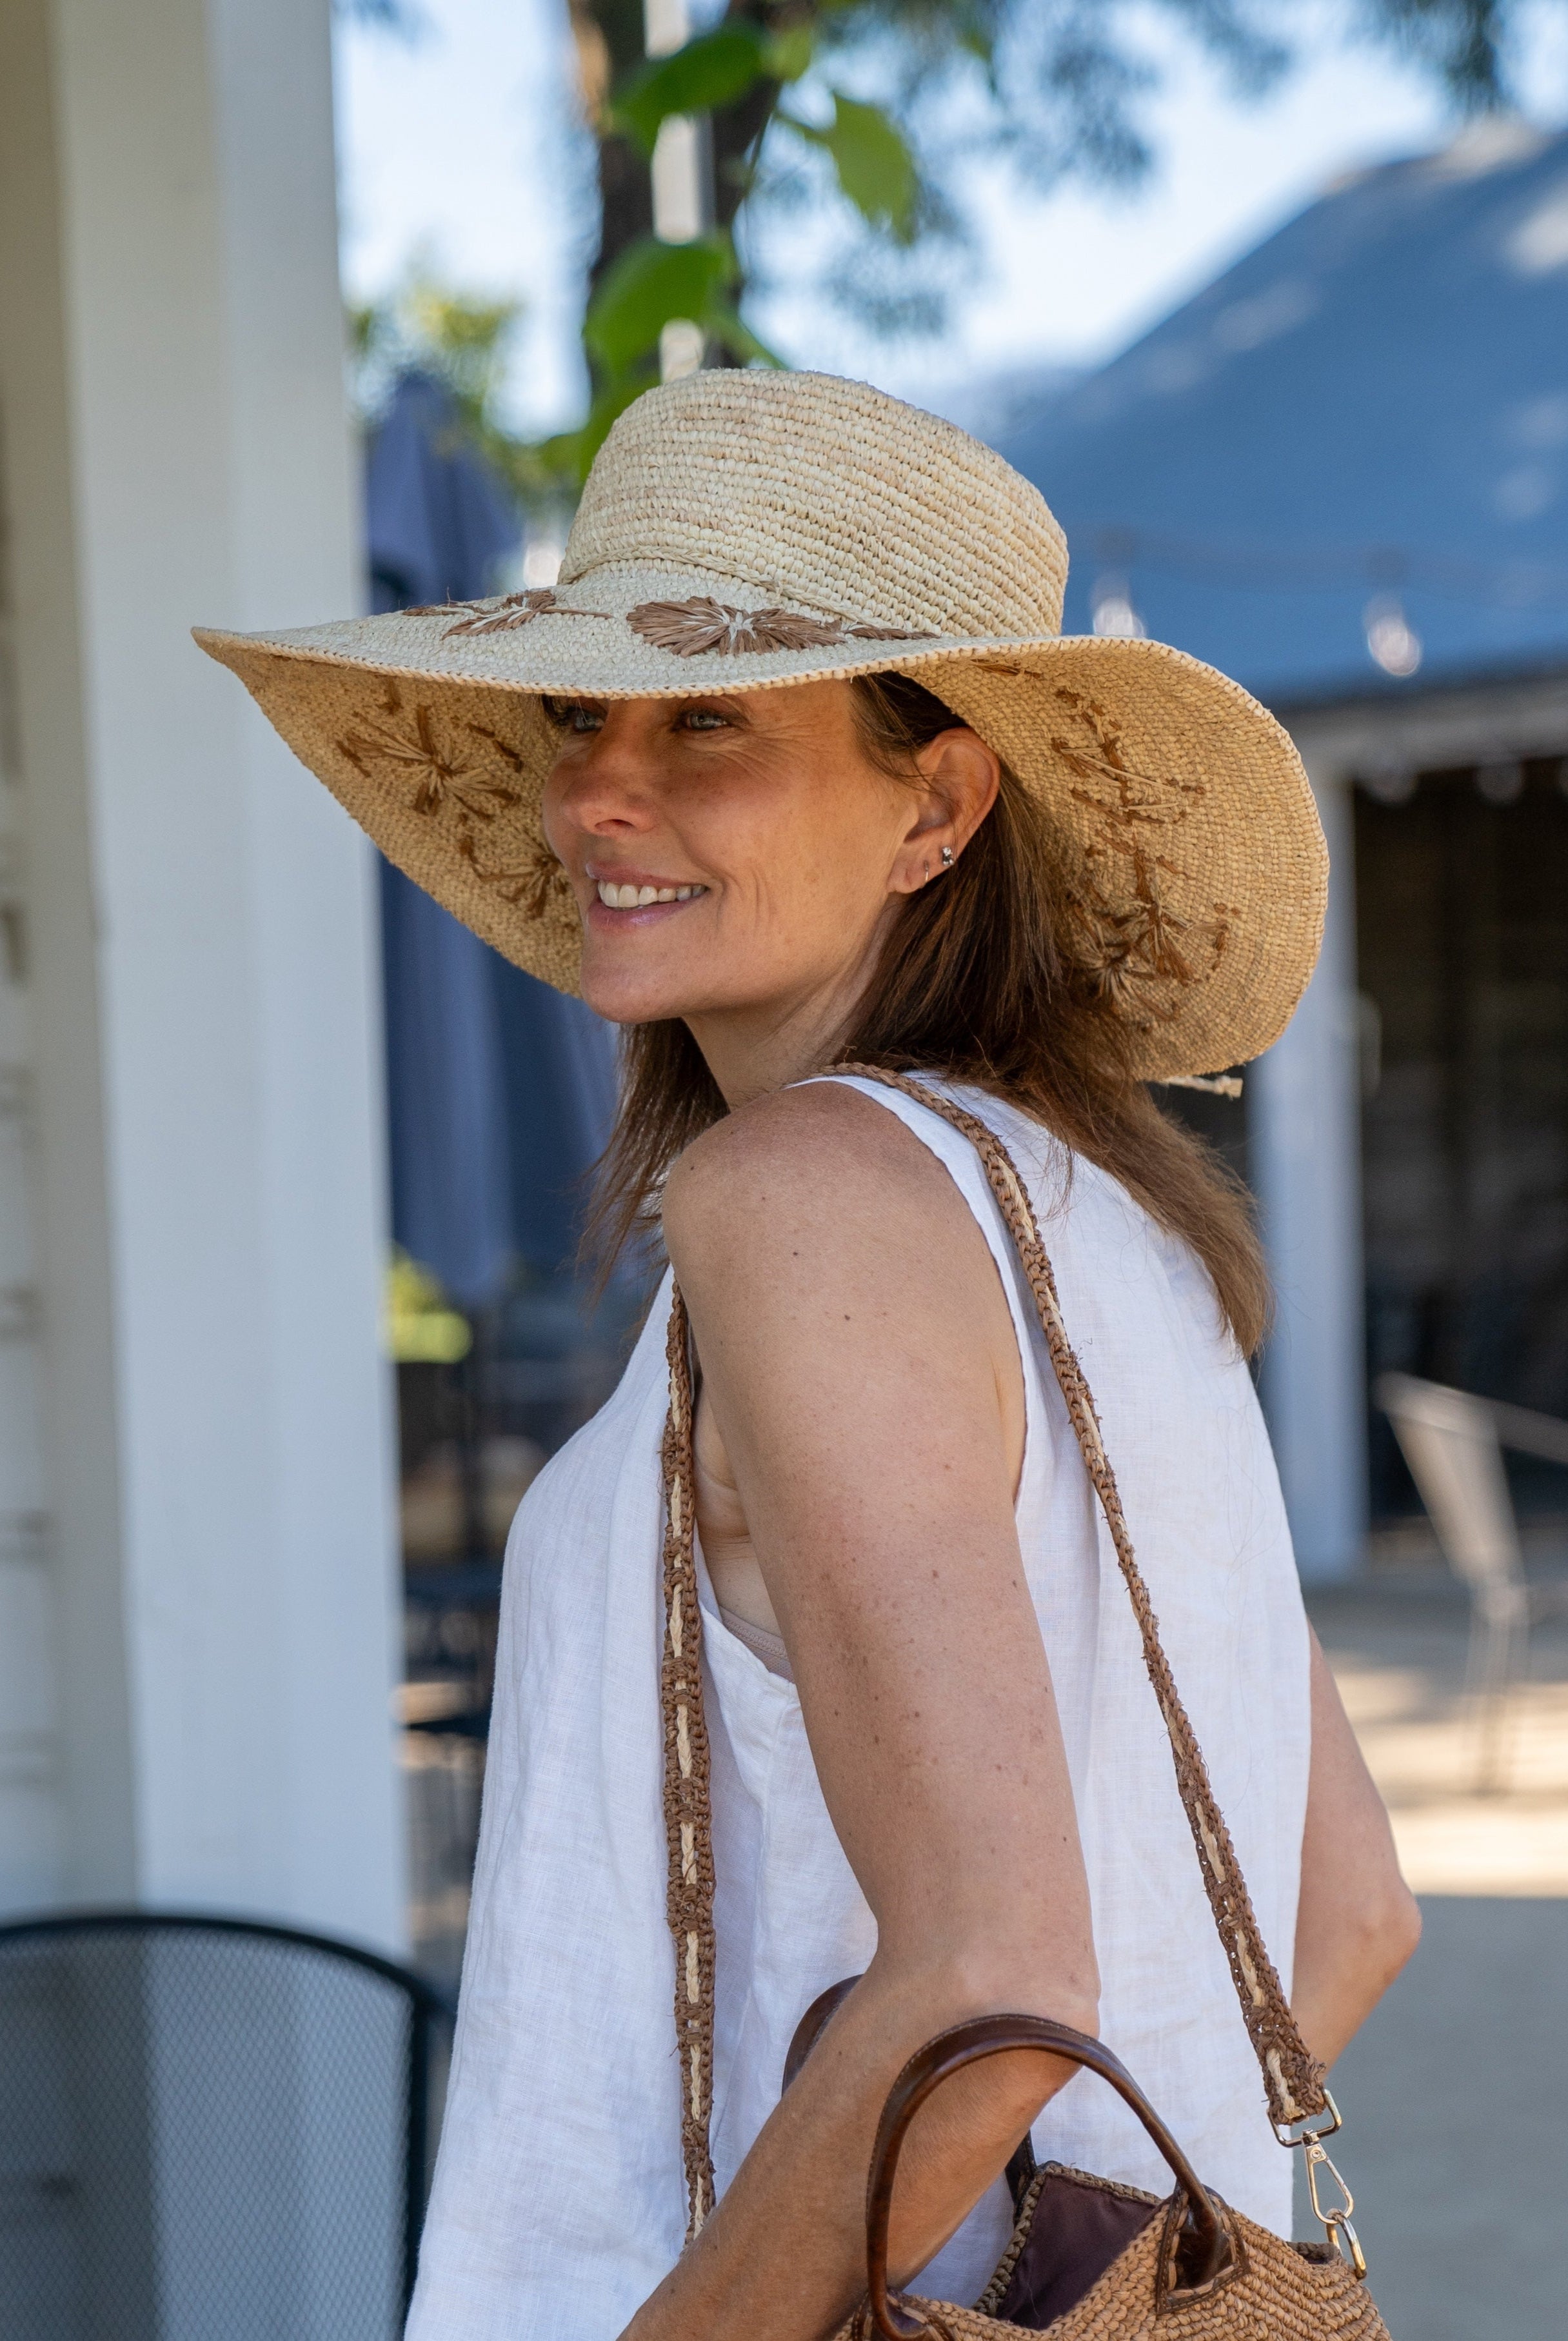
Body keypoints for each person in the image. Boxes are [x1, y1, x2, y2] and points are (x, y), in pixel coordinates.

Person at [197, 369, 1420, 2341]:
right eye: (581, 713)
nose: (597, 789)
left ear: (936, 806)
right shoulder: (1115, 1223)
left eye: (709, 722)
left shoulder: (803, 1200)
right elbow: (1348, 1917)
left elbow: (990, 1979)